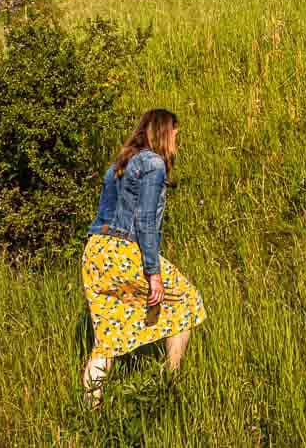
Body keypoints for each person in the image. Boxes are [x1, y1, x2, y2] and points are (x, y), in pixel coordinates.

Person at [80, 108, 206, 408]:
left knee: (106, 339)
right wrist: (153, 272)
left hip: (97, 252)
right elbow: (146, 221)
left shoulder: (120, 164)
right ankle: (169, 385)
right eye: (175, 132)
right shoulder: (153, 164)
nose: (177, 138)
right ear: (164, 132)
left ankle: (89, 413)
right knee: (187, 301)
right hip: (125, 251)